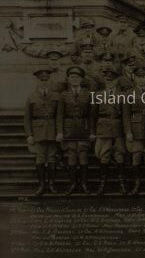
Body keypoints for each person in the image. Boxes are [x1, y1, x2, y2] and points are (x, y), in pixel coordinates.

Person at [56, 66, 93, 194]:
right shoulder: (63, 95)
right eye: (72, 77)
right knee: (71, 155)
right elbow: (60, 115)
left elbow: (91, 115)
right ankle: (72, 183)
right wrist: (60, 132)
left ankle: (84, 184)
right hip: (69, 129)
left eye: (77, 77)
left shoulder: (88, 94)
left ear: (81, 79)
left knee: (83, 155)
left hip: (83, 128)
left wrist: (92, 132)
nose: (75, 79)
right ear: (68, 79)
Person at [24, 67, 60, 196]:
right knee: (39, 158)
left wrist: (59, 132)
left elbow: (59, 116)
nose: (44, 82)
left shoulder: (56, 96)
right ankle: (41, 185)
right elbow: (27, 118)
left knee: (51, 158)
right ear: (37, 81)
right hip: (38, 131)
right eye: (41, 80)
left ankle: (51, 185)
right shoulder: (31, 97)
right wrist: (29, 134)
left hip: (52, 130)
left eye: (46, 80)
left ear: (49, 80)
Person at [92, 66, 128, 195]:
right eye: (107, 80)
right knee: (104, 155)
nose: (109, 82)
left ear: (116, 81)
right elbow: (93, 115)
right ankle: (102, 183)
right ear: (104, 80)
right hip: (103, 127)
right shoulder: (97, 95)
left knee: (119, 155)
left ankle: (122, 183)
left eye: (112, 80)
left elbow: (125, 115)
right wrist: (93, 132)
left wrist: (126, 131)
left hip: (118, 127)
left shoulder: (122, 95)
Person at [123, 66, 145, 194]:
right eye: (139, 77)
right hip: (135, 129)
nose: (141, 80)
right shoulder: (128, 94)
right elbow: (126, 115)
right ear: (134, 78)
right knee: (136, 156)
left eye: (143, 77)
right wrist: (128, 131)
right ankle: (137, 183)